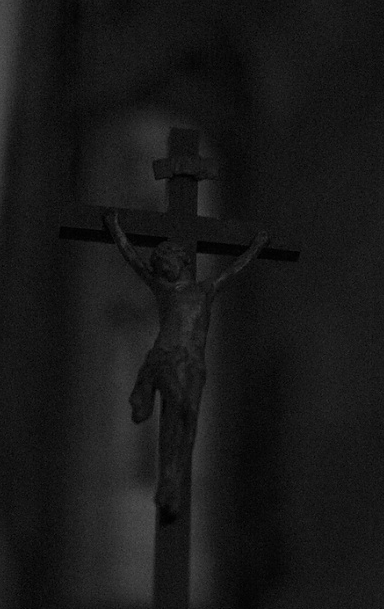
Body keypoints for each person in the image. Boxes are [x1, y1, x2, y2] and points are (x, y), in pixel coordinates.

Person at [104, 208, 269, 520]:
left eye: (165, 262)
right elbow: (134, 261)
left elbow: (235, 269)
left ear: (181, 263)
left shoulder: (205, 290)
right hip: (166, 359)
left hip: (193, 365)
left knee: (189, 417)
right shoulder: (164, 290)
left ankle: (174, 480)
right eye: (159, 265)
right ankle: (166, 477)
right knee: (176, 413)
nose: (161, 268)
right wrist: (115, 230)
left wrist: (257, 246)